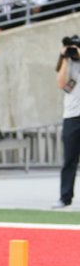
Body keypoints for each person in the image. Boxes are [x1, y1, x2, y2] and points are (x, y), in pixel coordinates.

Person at [53, 37, 80, 209]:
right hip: (72, 116)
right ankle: (65, 197)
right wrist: (64, 58)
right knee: (69, 159)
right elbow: (61, 83)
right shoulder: (67, 63)